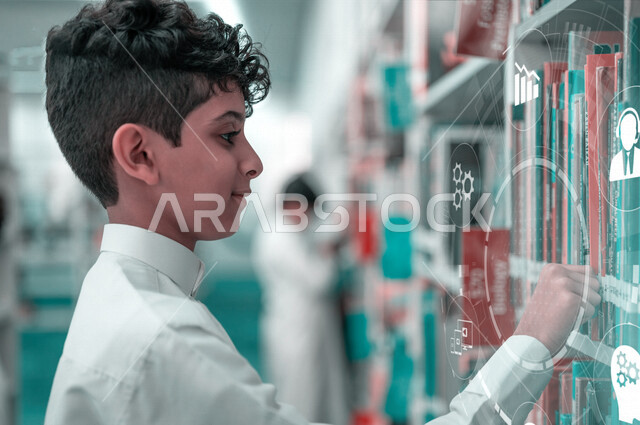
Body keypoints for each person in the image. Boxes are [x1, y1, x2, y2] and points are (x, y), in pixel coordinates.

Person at [43, 1, 601, 424]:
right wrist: (527, 346)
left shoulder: (123, 298)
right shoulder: (161, 339)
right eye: (228, 134)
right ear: (139, 155)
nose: (254, 162)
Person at [254, 175, 349, 425]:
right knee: (303, 403)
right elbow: (320, 280)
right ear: (294, 206)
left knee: (310, 398)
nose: (310, 219)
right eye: (309, 211)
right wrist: (328, 252)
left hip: (299, 327)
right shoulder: (281, 237)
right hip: (298, 332)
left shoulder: (284, 230)